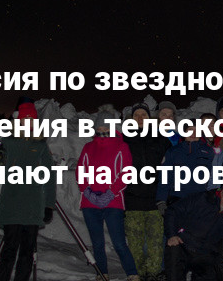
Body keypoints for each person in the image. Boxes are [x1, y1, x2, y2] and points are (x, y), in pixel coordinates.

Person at [0, 97, 56, 281]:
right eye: (24, 119)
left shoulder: (41, 145)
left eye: (31, 120)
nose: (28, 123)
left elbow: (49, 177)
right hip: (11, 203)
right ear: (18, 121)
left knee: (27, 253)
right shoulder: (8, 142)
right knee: (9, 250)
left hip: (33, 206)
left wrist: (49, 204)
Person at [76, 109, 140, 281]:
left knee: (119, 243)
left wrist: (110, 193)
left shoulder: (121, 146)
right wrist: (87, 192)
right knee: (97, 243)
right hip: (90, 203)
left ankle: (132, 273)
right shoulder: (88, 147)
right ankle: (101, 273)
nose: (103, 130)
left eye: (106, 127)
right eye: (100, 127)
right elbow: (80, 171)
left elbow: (126, 172)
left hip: (113, 201)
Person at [124, 102, 172, 281]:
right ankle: (138, 274)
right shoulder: (124, 140)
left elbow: (171, 162)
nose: (140, 118)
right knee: (135, 243)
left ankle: (153, 274)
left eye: (143, 114)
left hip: (154, 199)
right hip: (132, 200)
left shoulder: (160, 138)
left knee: (155, 242)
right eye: (136, 115)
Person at [163, 184, 223, 281]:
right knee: (174, 258)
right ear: (221, 191)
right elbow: (173, 211)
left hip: (204, 254)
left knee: (214, 270)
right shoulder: (202, 198)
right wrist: (172, 235)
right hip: (182, 245)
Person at [155, 119, 215, 214]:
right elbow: (165, 177)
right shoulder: (173, 151)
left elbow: (213, 177)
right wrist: (161, 200)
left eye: (197, 130)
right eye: (190, 130)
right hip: (177, 199)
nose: (193, 133)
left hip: (200, 200)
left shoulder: (209, 151)